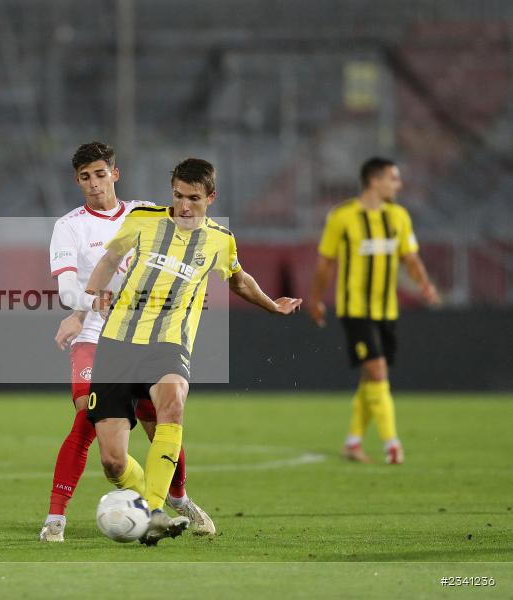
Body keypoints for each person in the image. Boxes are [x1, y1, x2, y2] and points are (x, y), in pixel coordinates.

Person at [82, 158, 301, 545]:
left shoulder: (220, 240)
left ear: (211, 198)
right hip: (118, 343)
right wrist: (95, 291)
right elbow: (111, 257)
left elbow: (239, 280)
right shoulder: (144, 220)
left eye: (194, 199)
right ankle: (158, 502)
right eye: (179, 196)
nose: (184, 206)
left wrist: (272, 305)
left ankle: (152, 511)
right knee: (113, 463)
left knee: (173, 401)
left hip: (169, 344)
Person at [40, 143, 215, 542]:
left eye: (101, 174)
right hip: (95, 339)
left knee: (161, 423)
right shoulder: (70, 226)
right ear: (77, 181)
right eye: (85, 177)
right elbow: (67, 287)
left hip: (146, 339)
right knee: (87, 420)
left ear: (115, 174)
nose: (94, 183)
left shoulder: (146, 214)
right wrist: (87, 306)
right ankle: (55, 518)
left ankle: (179, 499)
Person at [308, 157, 439, 465]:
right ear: (374, 181)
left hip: (387, 309)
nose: (398, 185)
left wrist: (424, 284)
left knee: (372, 377)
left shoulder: (399, 216)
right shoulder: (342, 216)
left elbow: (410, 257)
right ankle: (392, 444)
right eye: (393, 178)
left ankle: (352, 443)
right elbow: (325, 262)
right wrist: (315, 299)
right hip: (355, 309)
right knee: (378, 371)